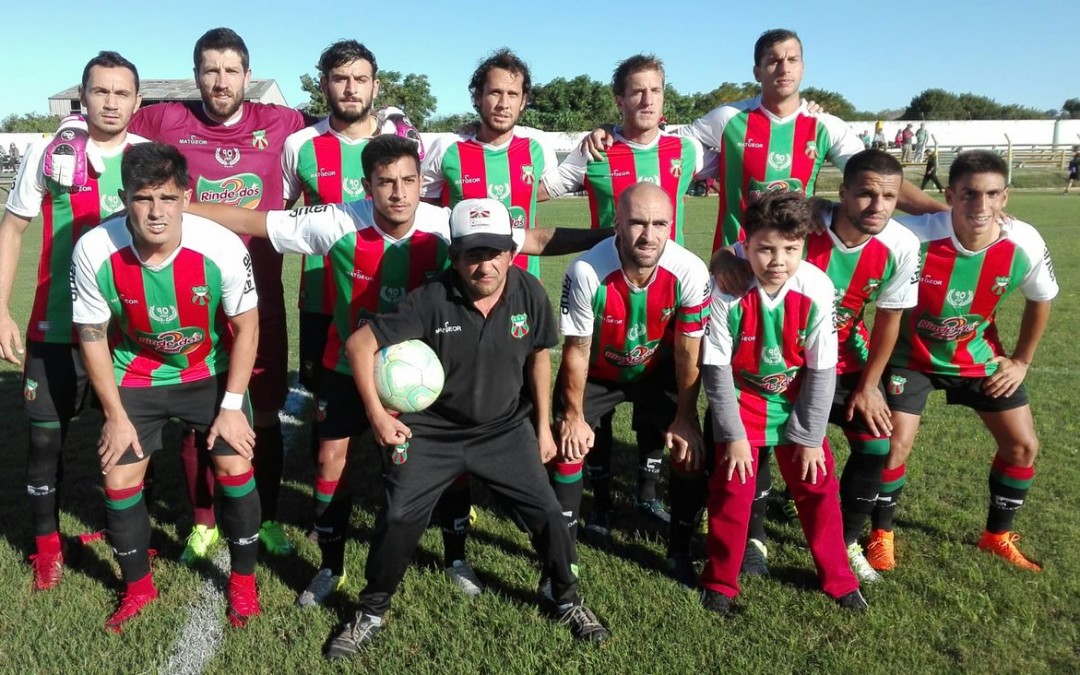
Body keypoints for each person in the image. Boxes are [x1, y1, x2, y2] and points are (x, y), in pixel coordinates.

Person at [187, 134, 610, 607]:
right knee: (330, 461)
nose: (399, 193)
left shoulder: (444, 223)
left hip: (426, 374)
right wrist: (180, 209)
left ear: (420, 181)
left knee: (453, 464)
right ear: (366, 186)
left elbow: (530, 238)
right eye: (385, 182)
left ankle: (455, 557)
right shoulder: (336, 220)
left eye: (409, 180)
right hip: (350, 365)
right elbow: (254, 220)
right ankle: (331, 566)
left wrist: (610, 237)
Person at [44, 27, 312, 562]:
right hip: (176, 292)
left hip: (252, 296)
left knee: (260, 412)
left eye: (230, 70)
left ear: (248, 76)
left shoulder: (281, 122)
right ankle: (205, 521)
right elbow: (107, 117)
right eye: (209, 70)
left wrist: (393, 120)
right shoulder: (166, 119)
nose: (220, 80)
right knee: (197, 413)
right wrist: (70, 127)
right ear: (196, 76)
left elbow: (335, 129)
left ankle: (273, 517)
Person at [324, 197, 610, 659]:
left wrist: (541, 426)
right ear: (454, 255)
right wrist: (377, 415)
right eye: (473, 253)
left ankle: (566, 597)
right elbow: (360, 344)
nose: (485, 264)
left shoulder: (529, 293)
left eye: (495, 251)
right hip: (431, 433)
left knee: (549, 515)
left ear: (511, 253)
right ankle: (371, 611)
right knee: (398, 518)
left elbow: (539, 356)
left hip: (502, 429)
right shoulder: (431, 298)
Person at [70, 143, 262, 632]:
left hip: (208, 373)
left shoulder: (221, 246)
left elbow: (247, 326)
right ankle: (138, 587)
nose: (156, 212)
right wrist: (114, 415)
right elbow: (92, 338)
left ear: (186, 196)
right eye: (142, 198)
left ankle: (242, 581)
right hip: (135, 375)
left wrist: (234, 405)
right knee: (118, 479)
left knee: (234, 464)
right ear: (123, 197)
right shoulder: (95, 248)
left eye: (168, 198)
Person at [712, 149, 921, 582]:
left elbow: (890, 319)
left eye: (888, 197)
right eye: (865, 194)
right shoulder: (802, 219)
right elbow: (738, 248)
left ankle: (846, 542)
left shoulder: (901, 244)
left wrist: (870, 385)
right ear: (842, 193)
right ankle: (754, 539)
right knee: (756, 446)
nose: (876, 205)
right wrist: (719, 261)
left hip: (840, 360)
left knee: (876, 443)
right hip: (772, 359)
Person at [866, 150, 1058, 573]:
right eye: (970, 195)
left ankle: (996, 536)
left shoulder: (1024, 241)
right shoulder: (911, 235)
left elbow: (1041, 297)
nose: (981, 206)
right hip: (909, 358)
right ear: (950, 195)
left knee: (1023, 446)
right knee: (894, 446)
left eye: (992, 194)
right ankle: (881, 535)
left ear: (1005, 197)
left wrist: (1022, 361)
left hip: (978, 358)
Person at [585, 29, 944, 252]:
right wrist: (611, 129)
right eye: (773, 61)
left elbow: (875, 177)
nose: (784, 68)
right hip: (732, 261)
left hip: (792, 260)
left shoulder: (825, 126)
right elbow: (657, 143)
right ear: (757, 71)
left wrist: (946, 212)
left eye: (792, 59)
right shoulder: (728, 119)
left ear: (803, 67)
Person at [0, 51, 146, 591]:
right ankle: (45, 549)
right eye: (100, 91)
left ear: (137, 100)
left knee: (132, 444)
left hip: (129, 335)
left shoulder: (147, 157)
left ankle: (128, 530)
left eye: (121, 92)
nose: (111, 102)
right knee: (44, 446)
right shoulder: (50, 152)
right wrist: (1, 311)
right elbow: (12, 230)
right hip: (55, 327)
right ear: (83, 97)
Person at [540, 53, 704, 534]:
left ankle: (649, 495)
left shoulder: (688, 149)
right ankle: (601, 496)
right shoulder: (595, 150)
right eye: (636, 91)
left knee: (658, 389)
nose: (646, 99)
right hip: (604, 282)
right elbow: (541, 188)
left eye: (654, 90)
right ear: (620, 99)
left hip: (665, 287)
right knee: (597, 381)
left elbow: (752, 165)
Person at [419, 48, 558, 578]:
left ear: (524, 101)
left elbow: (542, 209)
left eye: (513, 93)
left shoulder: (537, 151)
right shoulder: (447, 152)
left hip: (520, 298)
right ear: (477, 96)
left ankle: (519, 498)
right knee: (459, 406)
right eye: (493, 91)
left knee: (518, 404)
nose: (502, 102)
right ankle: (454, 514)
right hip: (461, 298)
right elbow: (425, 207)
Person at [699, 190, 866, 615]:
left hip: (795, 403)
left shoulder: (817, 286)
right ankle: (720, 582)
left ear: (804, 245)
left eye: (790, 249)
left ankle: (839, 580)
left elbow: (822, 369)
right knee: (733, 490)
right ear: (745, 244)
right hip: (744, 402)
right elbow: (715, 369)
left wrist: (810, 437)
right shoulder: (726, 288)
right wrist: (732, 435)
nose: (777, 261)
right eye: (765, 249)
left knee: (818, 486)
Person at [551, 181, 709, 588]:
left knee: (689, 453)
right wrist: (572, 416)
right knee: (567, 447)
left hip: (658, 371)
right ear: (617, 223)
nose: (649, 235)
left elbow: (689, 353)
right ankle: (566, 549)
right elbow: (577, 350)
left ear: (671, 225)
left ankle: (677, 551)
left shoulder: (689, 270)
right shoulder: (586, 270)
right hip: (600, 371)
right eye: (637, 223)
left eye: (659, 224)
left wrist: (686, 417)